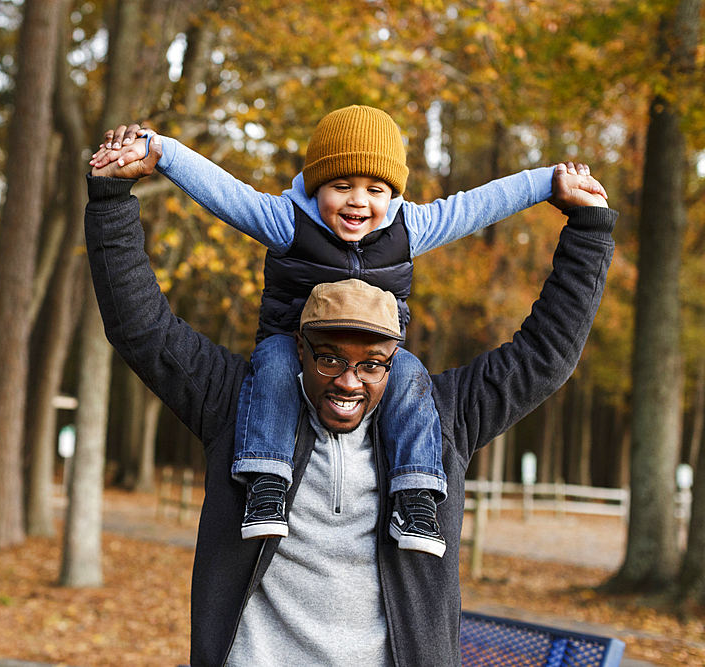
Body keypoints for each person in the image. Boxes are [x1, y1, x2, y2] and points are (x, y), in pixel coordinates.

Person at [86, 150, 615, 666]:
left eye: (372, 364)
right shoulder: (238, 405)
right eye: (329, 357)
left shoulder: (438, 418)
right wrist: (112, 198)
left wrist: (588, 232)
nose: (348, 381)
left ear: (394, 358)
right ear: (298, 347)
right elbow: (143, 329)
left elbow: (544, 357)